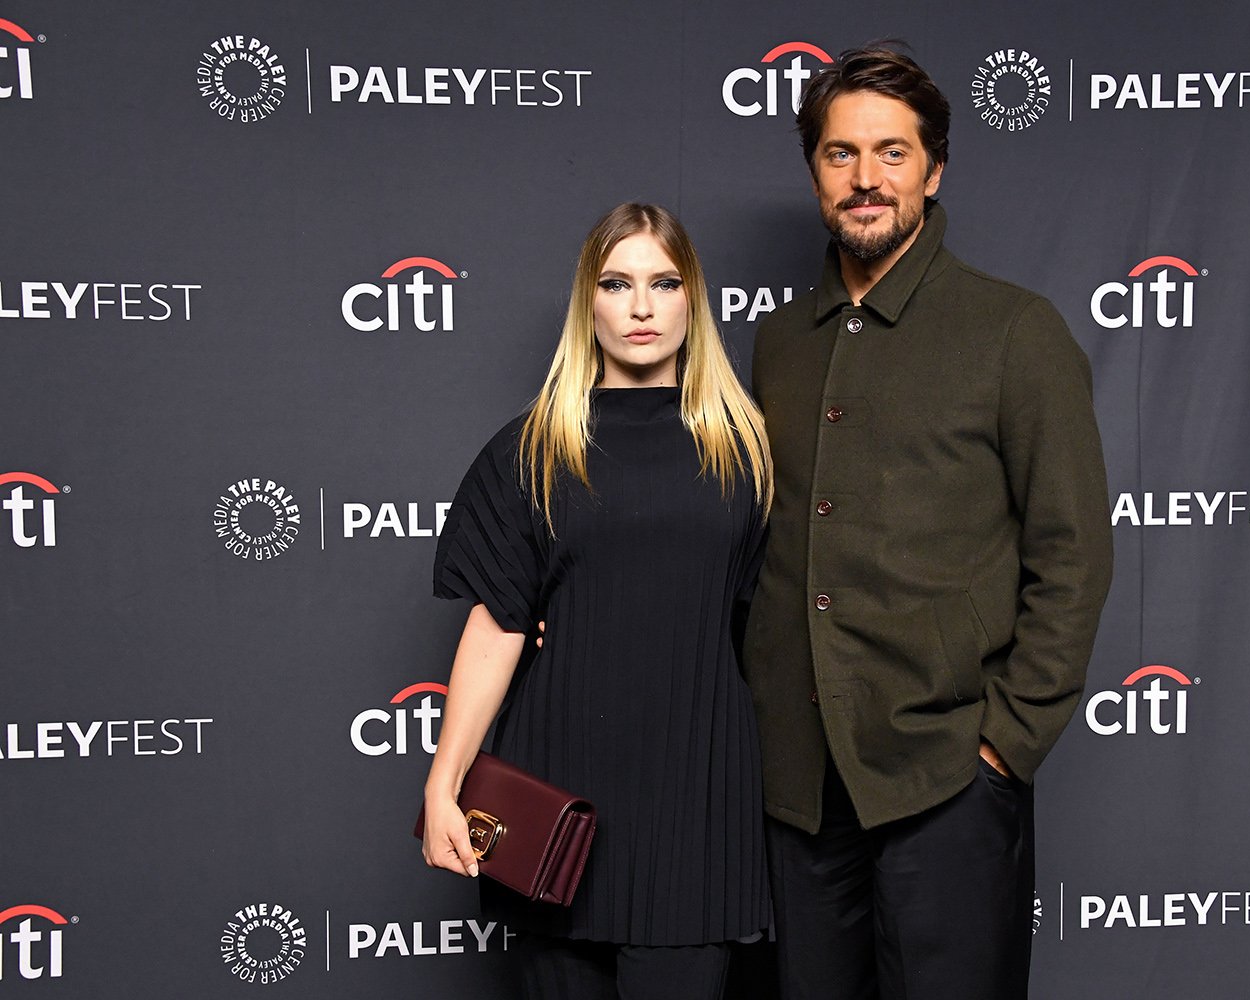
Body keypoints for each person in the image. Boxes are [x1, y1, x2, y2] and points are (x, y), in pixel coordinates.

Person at [743, 45, 1114, 998]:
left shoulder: (1013, 331)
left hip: (948, 777)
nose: (866, 179)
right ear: (814, 170)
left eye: (891, 153)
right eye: (839, 154)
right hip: (800, 787)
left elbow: (1072, 551)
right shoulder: (779, 341)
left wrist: (1007, 744)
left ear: (934, 167)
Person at [422, 203, 773, 1000]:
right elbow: (496, 626)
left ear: (694, 299)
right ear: (589, 301)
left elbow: (778, 625)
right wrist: (445, 782)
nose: (641, 307)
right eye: (617, 284)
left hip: (697, 804)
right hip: (558, 799)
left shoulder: (748, 449)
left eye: (663, 282)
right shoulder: (531, 448)